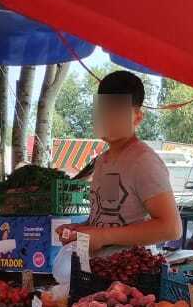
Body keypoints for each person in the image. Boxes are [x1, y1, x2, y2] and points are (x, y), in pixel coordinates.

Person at [59, 71, 182, 252]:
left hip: (131, 274)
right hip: (98, 271)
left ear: (137, 117)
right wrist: (82, 230)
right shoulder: (103, 162)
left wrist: (101, 236)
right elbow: (109, 218)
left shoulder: (143, 161)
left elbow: (171, 228)